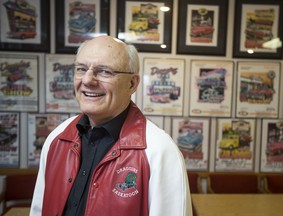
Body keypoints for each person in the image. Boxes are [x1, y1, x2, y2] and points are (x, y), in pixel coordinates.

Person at [30, 35, 193, 216]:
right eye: (81, 69)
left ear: (132, 84)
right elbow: (39, 209)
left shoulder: (160, 150)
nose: (87, 80)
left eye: (105, 71)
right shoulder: (57, 138)